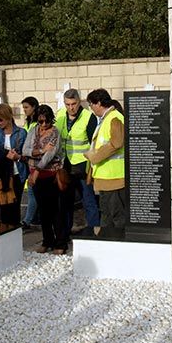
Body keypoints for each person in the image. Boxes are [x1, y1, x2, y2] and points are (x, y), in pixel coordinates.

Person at [55, 88, 100, 236]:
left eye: (73, 104)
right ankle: (64, 233)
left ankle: (94, 232)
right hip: (65, 166)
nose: (70, 107)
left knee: (88, 201)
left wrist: (92, 169)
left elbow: (94, 145)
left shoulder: (88, 117)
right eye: (67, 104)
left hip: (82, 166)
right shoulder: (60, 115)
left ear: (79, 102)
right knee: (65, 203)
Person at [23, 104, 67, 254]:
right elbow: (25, 149)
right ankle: (47, 240)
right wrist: (40, 150)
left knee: (55, 211)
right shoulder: (33, 130)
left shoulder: (55, 133)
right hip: (37, 176)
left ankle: (60, 243)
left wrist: (36, 169)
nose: (43, 125)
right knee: (43, 211)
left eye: (46, 121)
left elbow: (49, 156)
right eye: (40, 121)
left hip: (50, 176)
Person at [84, 89, 125, 238]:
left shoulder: (114, 118)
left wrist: (94, 156)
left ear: (99, 103)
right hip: (106, 179)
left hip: (114, 179)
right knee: (107, 215)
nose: (91, 108)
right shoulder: (106, 119)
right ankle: (107, 242)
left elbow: (116, 143)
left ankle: (117, 243)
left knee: (115, 216)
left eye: (91, 104)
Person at [0, 103, 28, 232]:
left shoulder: (21, 133)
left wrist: (17, 156)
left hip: (17, 173)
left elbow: (27, 156)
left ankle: (13, 233)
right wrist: (3, 154)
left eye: (0, 119)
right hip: (2, 174)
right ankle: (5, 233)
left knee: (15, 205)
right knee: (4, 206)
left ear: (8, 117)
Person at [21, 96, 40, 231]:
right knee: (34, 192)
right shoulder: (28, 123)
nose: (24, 110)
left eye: (26, 107)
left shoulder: (37, 123)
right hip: (27, 161)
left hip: (35, 162)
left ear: (34, 107)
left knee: (33, 193)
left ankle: (27, 221)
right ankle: (34, 219)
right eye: (23, 108)